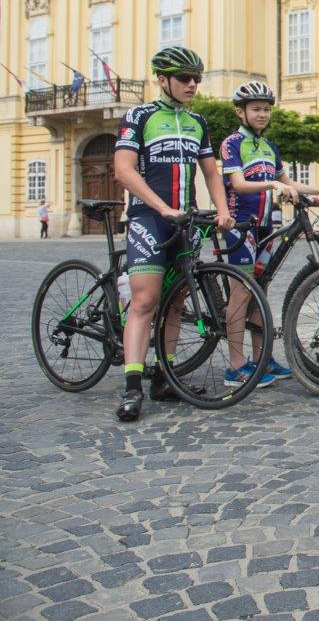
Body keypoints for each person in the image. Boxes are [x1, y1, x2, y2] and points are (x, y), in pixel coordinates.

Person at [112, 46, 233, 422]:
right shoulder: (140, 115)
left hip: (186, 221)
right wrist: (161, 207)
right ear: (162, 80)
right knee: (145, 302)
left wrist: (223, 209)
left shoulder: (198, 122)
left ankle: (164, 377)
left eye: (196, 78)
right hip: (150, 219)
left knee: (177, 302)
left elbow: (211, 172)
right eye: (184, 78)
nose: (192, 84)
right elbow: (123, 169)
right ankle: (133, 388)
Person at [221, 80, 319, 387]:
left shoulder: (269, 147)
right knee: (241, 291)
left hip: (264, 226)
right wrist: (273, 185)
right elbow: (239, 184)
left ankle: (262, 360)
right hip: (239, 225)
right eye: (256, 109)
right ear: (240, 112)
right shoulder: (232, 143)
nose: (263, 115)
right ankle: (235, 365)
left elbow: (290, 183)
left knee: (261, 288)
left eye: (267, 110)